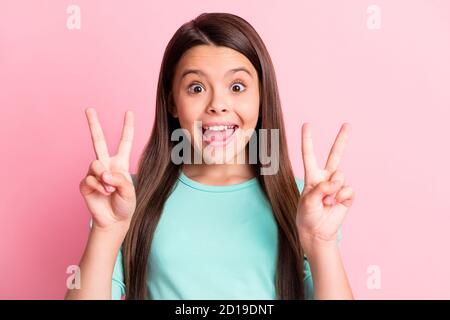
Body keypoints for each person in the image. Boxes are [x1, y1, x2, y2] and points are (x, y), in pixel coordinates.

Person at [65, 12, 355, 300]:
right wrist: (106, 231)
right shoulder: (129, 200)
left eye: (237, 87)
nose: (218, 104)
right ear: (172, 102)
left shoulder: (302, 201)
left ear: (262, 96)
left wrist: (321, 242)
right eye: (197, 88)